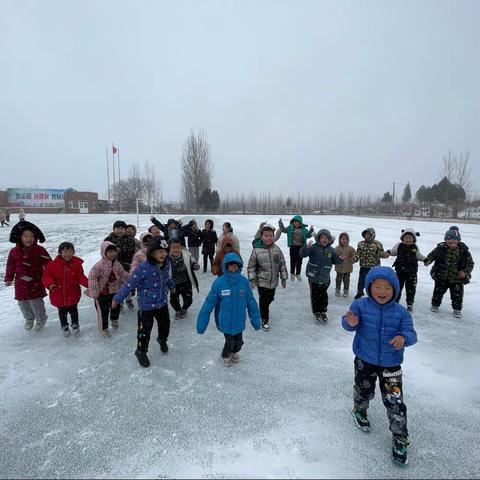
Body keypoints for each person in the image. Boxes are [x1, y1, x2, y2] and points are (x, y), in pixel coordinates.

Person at [342, 266, 417, 466]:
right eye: (377, 287)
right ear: (369, 287)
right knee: (363, 390)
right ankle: (359, 409)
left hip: (391, 365)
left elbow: (411, 334)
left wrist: (403, 337)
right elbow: (348, 322)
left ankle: (400, 437)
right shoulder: (360, 305)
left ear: (395, 290)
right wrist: (350, 322)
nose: (382, 292)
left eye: (387, 287)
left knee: (395, 401)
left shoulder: (401, 313)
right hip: (364, 360)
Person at [113, 238, 175, 368]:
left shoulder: (166, 264)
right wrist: (118, 298)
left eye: (165, 251)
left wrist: (171, 285)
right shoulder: (143, 268)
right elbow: (130, 284)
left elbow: (166, 278)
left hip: (162, 302)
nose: (163, 254)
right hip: (146, 305)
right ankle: (141, 352)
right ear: (152, 253)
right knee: (144, 331)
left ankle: (162, 339)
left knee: (165, 325)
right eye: (159, 251)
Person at [196, 252, 261, 367]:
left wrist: (256, 322)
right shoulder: (219, 283)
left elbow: (251, 303)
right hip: (224, 320)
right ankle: (225, 355)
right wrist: (201, 326)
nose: (233, 267)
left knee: (239, 343)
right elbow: (208, 305)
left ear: (239, 266)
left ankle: (234, 352)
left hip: (239, 320)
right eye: (231, 265)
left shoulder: (244, 282)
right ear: (226, 266)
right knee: (230, 342)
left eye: (236, 265)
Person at [4, 221, 51, 331]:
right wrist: (9, 278)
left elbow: (49, 264)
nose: (29, 239)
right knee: (22, 303)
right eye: (25, 236)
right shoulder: (14, 251)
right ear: (20, 237)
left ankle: (41, 319)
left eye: (31, 236)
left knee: (36, 302)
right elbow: (10, 266)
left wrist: (52, 276)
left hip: (36, 281)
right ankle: (29, 319)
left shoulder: (39, 250)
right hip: (20, 283)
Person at [424, 226, 474, 318]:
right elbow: (432, 255)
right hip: (441, 276)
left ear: (458, 241)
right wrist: (428, 260)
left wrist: (465, 271)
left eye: (455, 242)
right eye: (450, 242)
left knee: (457, 295)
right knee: (438, 292)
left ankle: (457, 309)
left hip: (457, 279)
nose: (452, 244)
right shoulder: (440, 248)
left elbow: (470, 263)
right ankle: (435, 305)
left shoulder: (463, 251)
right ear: (445, 240)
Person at [42, 242, 88, 336]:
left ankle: (75, 324)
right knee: (62, 313)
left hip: (73, 293)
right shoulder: (52, 265)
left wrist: (90, 285)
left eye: (70, 251)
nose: (67, 254)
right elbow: (46, 276)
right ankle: (64, 326)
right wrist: (50, 284)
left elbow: (81, 277)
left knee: (74, 311)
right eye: (65, 252)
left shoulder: (76, 264)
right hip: (59, 294)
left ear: (73, 252)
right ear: (60, 252)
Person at [247, 223, 287, 330]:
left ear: (274, 237)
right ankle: (264, 319)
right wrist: (252, 279)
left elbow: (282, 264)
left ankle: (263, 308)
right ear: (261, 236)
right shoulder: (256, 250)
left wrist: (284, 278)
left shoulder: (277, 249)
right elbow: (251, 266)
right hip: (262, 280)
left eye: (270, 236)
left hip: (273, 280)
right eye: (266, 236)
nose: (268, 238)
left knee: (270, 298)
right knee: (264, 300)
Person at [300, 229, 343, 322]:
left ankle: (323, 311)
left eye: (326, 238)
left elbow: (334, 261)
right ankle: (316, 312)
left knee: (323, 295)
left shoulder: (331, 250)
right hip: (313, 276)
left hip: (324, 276)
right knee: (315, 295)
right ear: (319, 238)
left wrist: (340, 259)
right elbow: (302, 254)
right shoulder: (313, 247)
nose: (324, 239)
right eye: (322, 237)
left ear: (329, 239)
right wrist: (306, 248)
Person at [88, 241, 129, 337]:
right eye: (109, 252)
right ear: (103, 252)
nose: (112, 254)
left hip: (115, 292)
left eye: (113, 251)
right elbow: (92, 278)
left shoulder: (117, 264)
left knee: (116, 308)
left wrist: (133, 278)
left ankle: (114, 319)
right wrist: (94, 292)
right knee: (103, 313)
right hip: (102, 294)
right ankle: (104, 328)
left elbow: (123, 274)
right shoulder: (98, 266)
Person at [386, 229, 425, 311]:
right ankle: (395, 301)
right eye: (406, 238)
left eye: (410, 238)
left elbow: (418, 255)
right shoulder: (399, 245)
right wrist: (388, 252)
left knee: (411, 288)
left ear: (414, 239)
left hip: (412, 272)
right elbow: (393, 252)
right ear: (403, 238)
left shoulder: (415, 247)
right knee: (397, 287)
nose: (408, 240)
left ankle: (410, 303)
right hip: (400, 271)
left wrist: (425, 259)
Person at [105, 220, 136, 309]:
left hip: (126, 265)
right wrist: (113, 252)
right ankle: (119, 300)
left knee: (127, 284)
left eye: (122, 229)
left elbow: (131, 251)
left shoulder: (129, 239)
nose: (120, 231)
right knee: (116, 284)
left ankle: (128, 299)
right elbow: (104, 251)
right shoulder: (109, 239)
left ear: (125, 230)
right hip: (112, 266)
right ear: (113, 229)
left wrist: (120, 251)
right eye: (117, 229)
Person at [169, 239, 200, 319]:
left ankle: (184, 309)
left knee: (188, 299)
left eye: (178, 247)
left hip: (186, 282)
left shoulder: (186, 255)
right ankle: (178, 310)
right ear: (170, 248)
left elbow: (192, 261)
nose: (176, 249)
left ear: (181, 248)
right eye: (173, 248)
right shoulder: (167, 258)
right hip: (174, 284)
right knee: (173, 300)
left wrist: (195, 265)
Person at [354, 228, 389, 299]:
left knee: (373, 282)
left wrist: (385, 254)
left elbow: (381, 253)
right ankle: (360, 292)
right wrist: (354, 258)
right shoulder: (361, 244)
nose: (367, 236)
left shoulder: (377, 244)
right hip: (363, 266)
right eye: (365, 234)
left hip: (374, 268)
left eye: (369, 235)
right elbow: (358, 253)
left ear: (372, 235)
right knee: (361, 280)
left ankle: (374, 293)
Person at [277, 215, 314, 281]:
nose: (296, 223)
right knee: (293, 261)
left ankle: (298, 274)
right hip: (293, 247)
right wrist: (280, 223)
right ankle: (292, 273)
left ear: (300, 223)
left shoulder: (304, 230)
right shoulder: (290, 228)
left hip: (301, 248)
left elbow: (308, 235)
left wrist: (311, 230)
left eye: (298, 222)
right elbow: (283, 230)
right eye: (295, 222)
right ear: (292, 222)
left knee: (299, 261)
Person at [334, 232, 357, 297]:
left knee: (346, 280)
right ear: (339, 240)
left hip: (347, 267)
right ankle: (337, 290)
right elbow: (334, 256)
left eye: (345, 239)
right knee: (338, 279)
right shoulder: (337, 248)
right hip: (339, 267)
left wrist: (354, 259)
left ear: (348, 240)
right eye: (342, 239)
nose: (344, 240)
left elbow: (355, 257)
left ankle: (346, 291)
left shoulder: (351, 249)